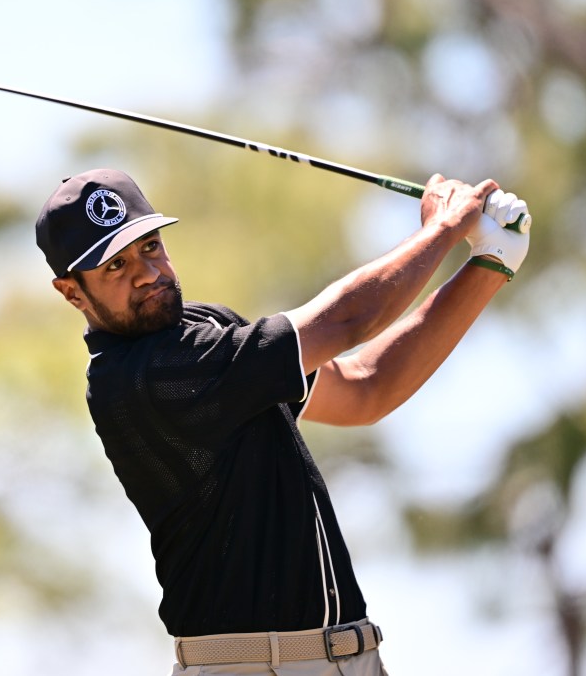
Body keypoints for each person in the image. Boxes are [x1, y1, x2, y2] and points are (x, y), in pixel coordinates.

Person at [35, 168, 531, 675]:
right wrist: (444, 227)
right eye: (115, 266)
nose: (147, 273)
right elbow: (348, 320)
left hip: (348, 659)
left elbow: (366, 387)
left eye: (150, 247)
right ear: (72, 292)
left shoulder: (205, 330)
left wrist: (491, 263)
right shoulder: (143, 378)